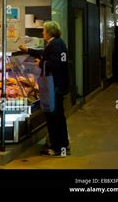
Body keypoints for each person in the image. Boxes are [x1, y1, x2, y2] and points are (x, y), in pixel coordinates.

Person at [19, 21, 70, 157]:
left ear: (49, 32)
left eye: (44, 30)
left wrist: (40, 63)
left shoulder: (55, 44)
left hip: (55, 85)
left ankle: (56, 148)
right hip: (58, 85)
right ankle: (63, 144)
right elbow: (46, 54)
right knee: (59, 116)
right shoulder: (57, 43)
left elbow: (54, 64)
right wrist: (29, 51)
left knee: (54, 117)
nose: (42, 33)